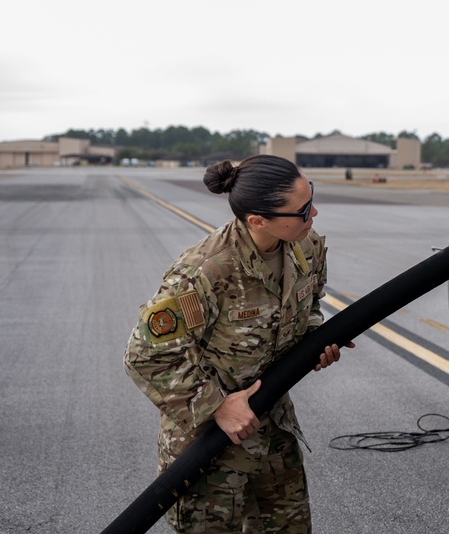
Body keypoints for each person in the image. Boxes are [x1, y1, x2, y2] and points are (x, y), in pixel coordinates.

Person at [124, 154, 352, 532]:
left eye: (310, 196)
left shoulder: (305, 247)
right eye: (303, 210)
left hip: (273, 431)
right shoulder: (205, 271)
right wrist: (218, 406)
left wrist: (315, 341)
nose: (315, 213)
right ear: (258, 220)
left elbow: (309, 306)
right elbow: (145, 358)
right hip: (208, 448)